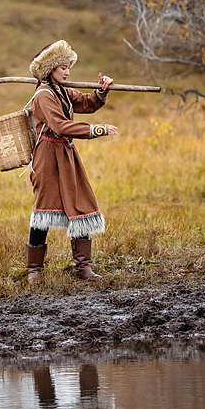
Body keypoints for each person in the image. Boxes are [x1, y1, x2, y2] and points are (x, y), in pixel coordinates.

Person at [25, 40, 119, 283]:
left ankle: (82, 268)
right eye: (63, 67)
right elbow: (60, 125)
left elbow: (86, 103)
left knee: (80, 203)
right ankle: (34, 270)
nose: (67, 72)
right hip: (47, 156)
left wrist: (101, 91)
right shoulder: (42, 95)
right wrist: (98, 129)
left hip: (66, 155)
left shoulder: (62, 91)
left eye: (69, 67)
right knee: (44, 210)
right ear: (50, 69)